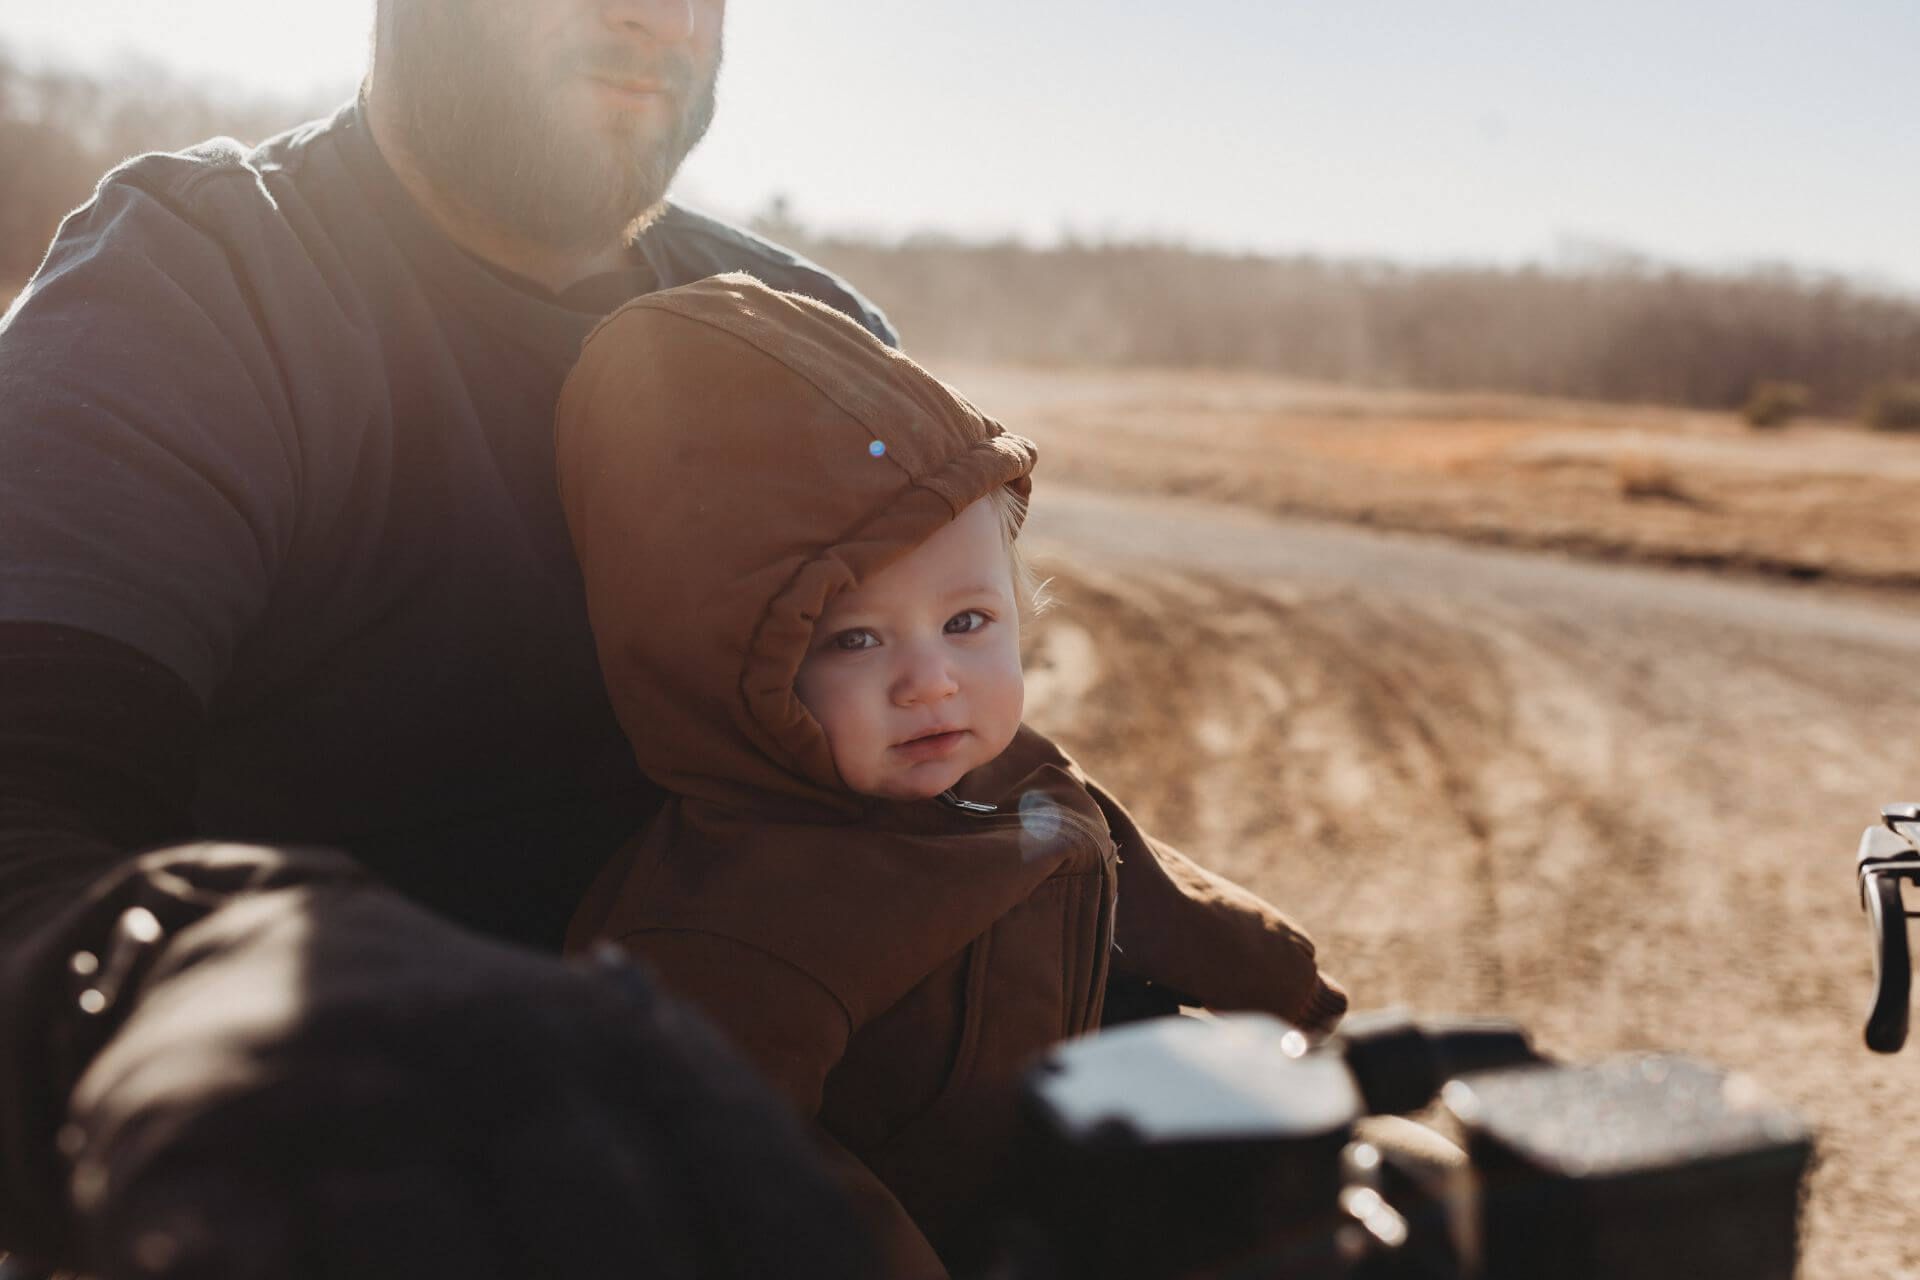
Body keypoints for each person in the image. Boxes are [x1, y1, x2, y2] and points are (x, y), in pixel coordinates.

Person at [0, 1, 895, 1274]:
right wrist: (209, 985)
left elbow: (947, 812)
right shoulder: (202, 275)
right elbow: (20, 809)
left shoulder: (812, 342)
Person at [555, 275, 1349, 1276]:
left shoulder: (1006, 772)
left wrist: (1282, 982)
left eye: (968, 622)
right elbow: (731, 1167)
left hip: (1066, 1194)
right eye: (852, 637)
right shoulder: (731, 920)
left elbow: (1132, 869)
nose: (930, 681)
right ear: (725, 674)